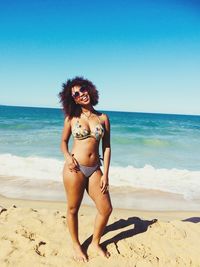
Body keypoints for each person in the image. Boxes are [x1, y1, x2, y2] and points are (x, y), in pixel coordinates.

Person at [59, 76, 113, 262]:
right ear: (73, 99)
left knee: (106, 209)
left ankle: (94, 242)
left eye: (83, 89)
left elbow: (106, 147)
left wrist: (105, 173)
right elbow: (63, 142)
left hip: (95, 169)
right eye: (77, 93)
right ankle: (76, 245)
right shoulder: (71, 118)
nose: (82, 94)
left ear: (89, 89)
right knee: (73, 208)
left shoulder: (103, 118)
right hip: (75, 169)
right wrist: (67, 158)